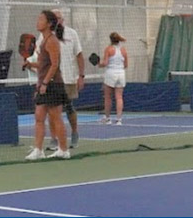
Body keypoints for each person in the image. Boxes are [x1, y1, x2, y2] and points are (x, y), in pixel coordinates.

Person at [25, 9, 84, 150]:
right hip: (47, 82)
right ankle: (47, 144)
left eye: (59, 18)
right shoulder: (42, 38)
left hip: (64, 79)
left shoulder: (67, 35)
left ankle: (71, 138)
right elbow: (43, 63)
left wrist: (81, 76)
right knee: (42, 116)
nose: (38, 22)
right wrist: (30, 65)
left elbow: (56, 63)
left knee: (66, 110)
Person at [97, 32, 128, 125]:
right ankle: (119, 120)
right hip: (121, 74)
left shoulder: (108, 49)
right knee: (119, 97)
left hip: (111, 73)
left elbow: (105, 63)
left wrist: (99, 64)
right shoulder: (124, 50)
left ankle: (107, 118)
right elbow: (126, 65)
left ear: (110, 40)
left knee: (108, 97)